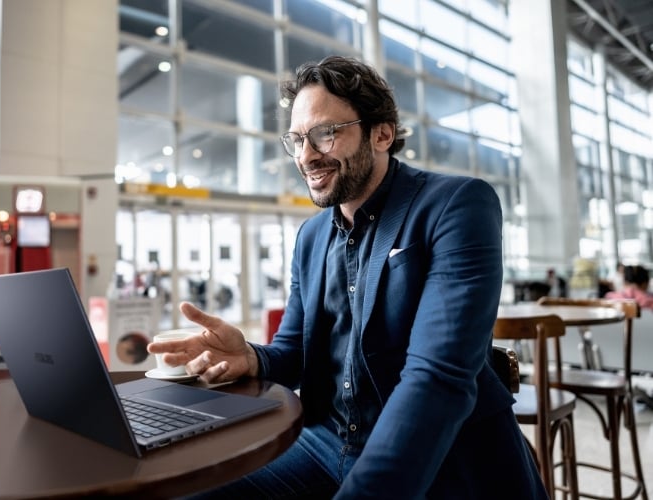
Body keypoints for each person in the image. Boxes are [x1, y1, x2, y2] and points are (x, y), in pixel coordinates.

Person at [148, 55, 547, 499]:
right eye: (297, 140)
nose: (306, 157)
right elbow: (295, 351)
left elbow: (437, 379)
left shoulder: (456, 206)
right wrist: (253, 359)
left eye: (324, 134)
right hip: (322, 447)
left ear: (382, 133)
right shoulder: (312, 236)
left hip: (439, 462)